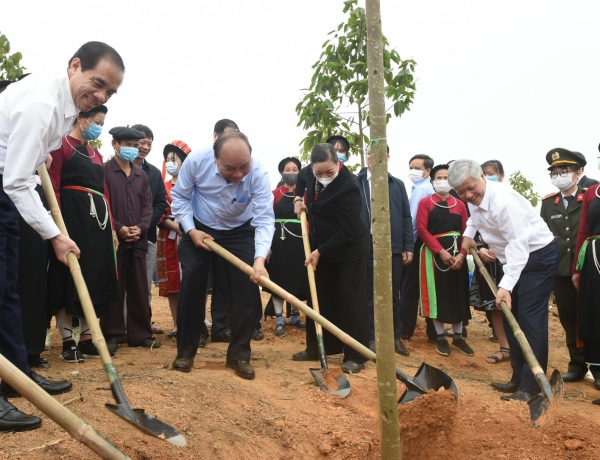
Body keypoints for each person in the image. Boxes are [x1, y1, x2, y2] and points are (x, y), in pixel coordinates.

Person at [0, 41, 124, 431]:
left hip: (7, 193)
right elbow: (17, 181)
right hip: (6, 186)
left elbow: (29, 156)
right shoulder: (43, 103)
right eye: (98, 83)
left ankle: (16, 375)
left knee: (7, 291)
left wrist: (42, 153)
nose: (101, 96)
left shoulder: (65, 106)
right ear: (75, 66)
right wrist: (55, 235)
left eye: (110, 92)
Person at [450, 160, 559, 402]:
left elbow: (520, 245)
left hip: (536, 257)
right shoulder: (475, 199)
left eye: (471, 188)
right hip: (511, 260)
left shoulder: (504, 203)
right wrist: (468, 235)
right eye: (461, 192)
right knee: (511, 317)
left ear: (481, 177)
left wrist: (505, 286)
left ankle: (532, 386)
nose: (468, 196)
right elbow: (474, 220)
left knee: (529, 320)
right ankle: (518, 378)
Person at [171, 131, 274, 379]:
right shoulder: (197, 161)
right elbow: (180, 198)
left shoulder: (259, 173)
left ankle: (239, 355)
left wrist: (259, 260)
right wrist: (191, 230)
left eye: (244, 166)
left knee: (247, 286)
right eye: (230, 168)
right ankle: (185, 351)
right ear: (215, 158)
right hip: (199, 226)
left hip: (239, 230)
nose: (238, 174)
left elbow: (264, 219)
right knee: (192, 279)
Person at [47, 104, 118, 363]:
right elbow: (53, 185)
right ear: (80, 118)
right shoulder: (61, 146)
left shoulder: (96, 153)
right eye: (96, 121)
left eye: (102, 123)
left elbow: (104, 192)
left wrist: (112, 229)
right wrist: (58, 226)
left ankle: (88, 339)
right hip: (71, 219)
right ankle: (68, 342)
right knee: (69, 276)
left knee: (94, 276)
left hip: (98, 225)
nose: (99, 127)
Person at [292, 143, 370, 373]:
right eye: (319, 172)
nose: (324, 176)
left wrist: (320, 251)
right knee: (319, 295)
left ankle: (355, 355)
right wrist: (297, 199)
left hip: (349, 247)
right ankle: (317, 348)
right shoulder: (310, 172)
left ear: (338, 164)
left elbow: (348, 230)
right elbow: (301, 179)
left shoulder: (349, 187)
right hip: (321, 242)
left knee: (350, 299)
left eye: (330, 172)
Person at [101, 126, 160, 352]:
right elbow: (103, 203)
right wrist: (118, 227)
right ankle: (113, 334)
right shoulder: (104, 171)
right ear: (115, 144)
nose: (132, 149)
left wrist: (141, 228)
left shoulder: (141, 176)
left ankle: (141, 334)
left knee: (139, 289)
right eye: (127, 145)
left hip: (138, 241)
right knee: (114, 289)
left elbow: (148, 206)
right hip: (114, 241)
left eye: (135, 146)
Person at [356, 145, 412, 355]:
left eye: (377, 152)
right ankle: (371, 337)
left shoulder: (397, 184)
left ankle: (394, 337)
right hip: (366, 245)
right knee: (368, 293)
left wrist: (407, 245)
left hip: (392, 246)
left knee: (393, 294)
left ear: (387, 157)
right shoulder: (357, 182)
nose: (373, 156)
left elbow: (406, 216)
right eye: (369, 153)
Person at [540, 149, 589, 382]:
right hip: (561, 270)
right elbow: (543, 235)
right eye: (555, 172)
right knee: (569, 318)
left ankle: (597, 366)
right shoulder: (549, 203)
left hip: (589, 268)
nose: (559, 176)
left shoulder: (591, 197)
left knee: (592, 316)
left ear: (578, 172)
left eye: (564, 171)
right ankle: (577, 364)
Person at [417, 164, 473, 357]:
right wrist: (440, 251)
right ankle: (440, 336)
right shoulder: (426, 202)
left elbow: (467, 231)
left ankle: (458, 337)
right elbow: (422, 230)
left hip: (458, 255)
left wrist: (462, 255)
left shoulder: (460, 204)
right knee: (438, 295)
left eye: (446, 177)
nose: (442, 181)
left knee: (458, 294)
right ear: (432, 181)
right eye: (439, 177)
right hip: (435, 257)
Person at [471, 159, 510, 364]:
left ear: (501, 176)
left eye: (492, 173)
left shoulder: (508, 198)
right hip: (489, 264)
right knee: (495, 306)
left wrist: (500, 246)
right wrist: (480, 249)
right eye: (484, 173)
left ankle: (520, 349)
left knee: (514, 305)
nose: (488, 176)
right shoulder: (477, 202)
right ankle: (505, 348)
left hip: (510, 263)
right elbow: (475, 229)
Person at [264, 157, 308, 337]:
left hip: (300, 243)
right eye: (288, 170)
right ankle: (279, 319)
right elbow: (267, 220)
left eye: (295, 169)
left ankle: (295, 317)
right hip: (278, 243)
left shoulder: (305, 194)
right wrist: (267, 245)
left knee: (297, 278)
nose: (291, 173)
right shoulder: (274, 194)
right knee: (279, 279)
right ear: (282, 172)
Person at [131, 124, 167, 335]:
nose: (145, 147)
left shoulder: (154, 173)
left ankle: (144, 323)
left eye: (149, 143)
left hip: (147, 237)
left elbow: (160, 203)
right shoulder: (113, 168)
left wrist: (143, 226)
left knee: (144, 285)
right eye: (141, 142)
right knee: (121, 284)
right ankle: (120, 326)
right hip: (119, 235)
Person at [157, 140, 192, 339]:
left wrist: (188, 228)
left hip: (191, 236)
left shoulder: (194, 186)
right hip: (169, 237)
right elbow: (159, 213)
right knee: (173, 283)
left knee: (193, 278)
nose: (171, 162)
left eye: (175, 158)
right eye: (168, 158)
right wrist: (179, 228)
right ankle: (177, 324)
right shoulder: (162, 187)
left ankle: (195, 321)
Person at [399, 154, 436, 341]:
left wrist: (408, 246)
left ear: (427, 171)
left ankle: (405, 329)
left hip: (417, 242)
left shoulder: (422, 190)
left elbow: (413, 221)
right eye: (411, 167)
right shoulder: (421, 188)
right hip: (425, 242)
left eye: (417, 168)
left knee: (409, 287)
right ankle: (431, 331)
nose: (413, 171)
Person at [572, 161, 600, 406]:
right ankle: (598, 370)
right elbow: (583, 230)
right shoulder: (592, 192)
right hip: (593, 258)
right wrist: (576, 269)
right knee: (594, 313)